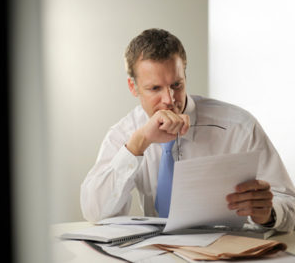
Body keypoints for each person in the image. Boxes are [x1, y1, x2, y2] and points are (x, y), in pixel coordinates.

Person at [80, 28, 295, 232]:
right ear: (132, 87)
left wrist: (269, 214)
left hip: (227, 251)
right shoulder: (126, 133)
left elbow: (290, 204)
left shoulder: (239, 127)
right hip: (158, 253)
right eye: (155, 88)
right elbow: (94, 212)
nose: (169, 100)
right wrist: (138, 144)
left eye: (176, 85)